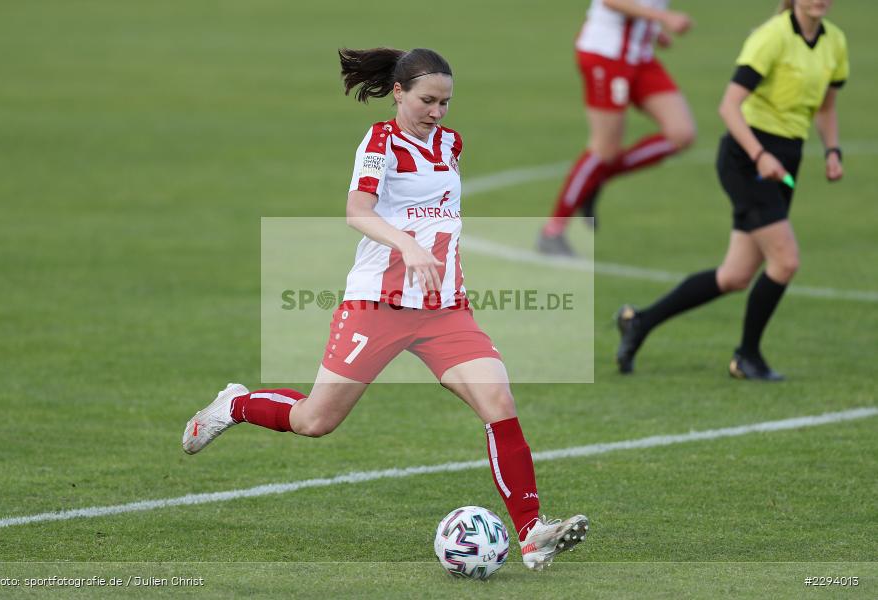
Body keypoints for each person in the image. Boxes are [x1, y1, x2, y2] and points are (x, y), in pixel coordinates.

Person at [182, 47, 588, 570]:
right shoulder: (380, 142)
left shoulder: (450, 144)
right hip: (377, 305)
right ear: (398, 93)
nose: (437, 112)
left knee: (499, 402)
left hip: (445, 309)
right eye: (427, 101)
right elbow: (357, 212)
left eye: (445, 102)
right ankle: (235, 405)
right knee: (315, 420)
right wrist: (407, 244)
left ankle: (532, 534)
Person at [616, 0, 848, 380]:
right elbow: (729, 106)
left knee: (735, 275)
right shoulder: (771, 37)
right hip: (747, 159)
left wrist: (832, 150)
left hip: (786, 159)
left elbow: (826, 106)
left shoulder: (834, 42)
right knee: (785, 261)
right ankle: (747, 356)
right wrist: (759, 155)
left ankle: (640, 321)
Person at [538, 0, 697, 256]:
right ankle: (552, 231)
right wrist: (662, 18)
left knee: (682, 133)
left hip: (640, 56)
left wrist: (653, 30)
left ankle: (594, 179)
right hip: (607, 54)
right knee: (604, 149)